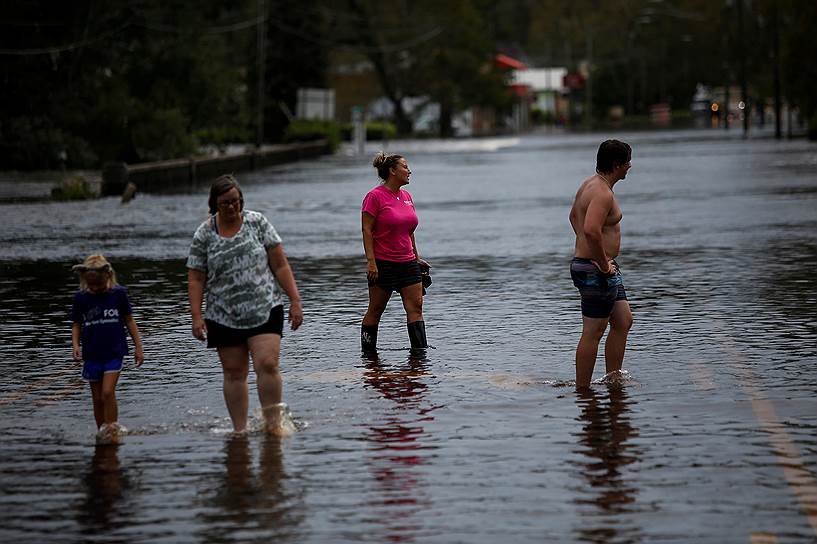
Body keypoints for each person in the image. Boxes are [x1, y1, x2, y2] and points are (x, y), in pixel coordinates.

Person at [187, 174, 303, 435]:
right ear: (214, 204)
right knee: (234, 372)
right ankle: (239, 431)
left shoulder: (257, 222)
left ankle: (274, 424)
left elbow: (280, 264)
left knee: (268, 364)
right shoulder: (204, 234)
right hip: (223, 313)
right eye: (226, 202)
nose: (232, 207)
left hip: (265, 306)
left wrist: (295, 300)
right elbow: (195, 277)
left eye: (236, 201)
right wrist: (196, 316)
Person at [568, 140, 634, 389]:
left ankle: (612, 380)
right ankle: (582, 391)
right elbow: (591, 230)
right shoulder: (602, 193)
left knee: (623, 320)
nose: (630, 166)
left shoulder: (590, 184)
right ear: (617, 165)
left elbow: (573, 216)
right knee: (593, 330)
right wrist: (602, 263)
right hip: (595, 269)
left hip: (599, 265)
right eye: (628, 161)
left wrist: (598, 255)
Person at [361, 152, 430, 353]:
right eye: (405, 167)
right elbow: (366, 230)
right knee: (375, 310)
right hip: (383, 264)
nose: (409, 171)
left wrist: (416, 258)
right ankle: (368, 357)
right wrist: (371, 262)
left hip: (407, 263)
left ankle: (419, 356)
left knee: (416, 309)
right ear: (392, 171)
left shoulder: (406, 196)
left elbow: (409, 231)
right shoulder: (374, 197)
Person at [71, 254, 144, 441]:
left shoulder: (118, 293)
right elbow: (77, 324)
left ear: (108, 277)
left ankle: (112, 430)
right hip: (92, 353)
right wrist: (75, 345)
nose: (95, 289)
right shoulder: (81, 298)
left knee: (107, 392)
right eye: (91, 285)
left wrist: (139, 347)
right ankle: (101, 431)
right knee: (97, 398)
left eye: (99, 286)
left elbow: (129, 319)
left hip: (114, 351)